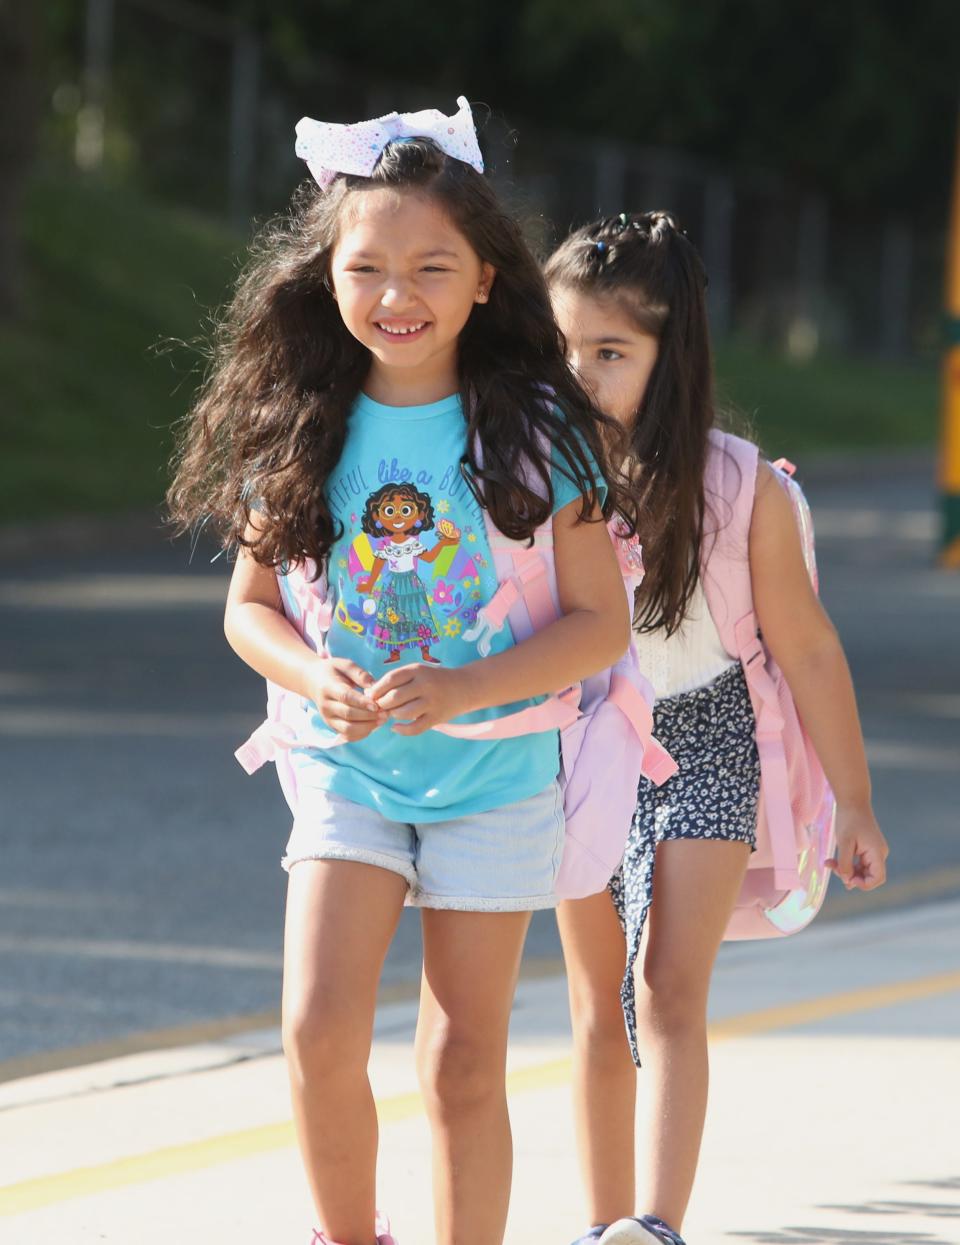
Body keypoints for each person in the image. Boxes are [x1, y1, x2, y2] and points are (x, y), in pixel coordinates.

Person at [166, 98, 635, 1245]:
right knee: (318, 1030)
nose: (397, 294)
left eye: (432, 266)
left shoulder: (536, 427)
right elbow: (252, 611)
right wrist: (312, 675)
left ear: (485, 280)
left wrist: (470, 689)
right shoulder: (302, 421)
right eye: (367, 267)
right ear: (326, 275)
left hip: (495, 775)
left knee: (463, 1062)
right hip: (347, 771)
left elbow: (598, 625)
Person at [544, 211, 890, 1245]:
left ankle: (654, 1226)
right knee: (598, 1002)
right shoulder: (532, 481)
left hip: (708, 737)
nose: (580, 373)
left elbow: (811, 650)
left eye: (610, 352)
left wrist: (856, 804)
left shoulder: (740, 488)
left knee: (664, 986)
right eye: (561, 348)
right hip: (584, 740)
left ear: (672, 354)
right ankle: (603, 1223)